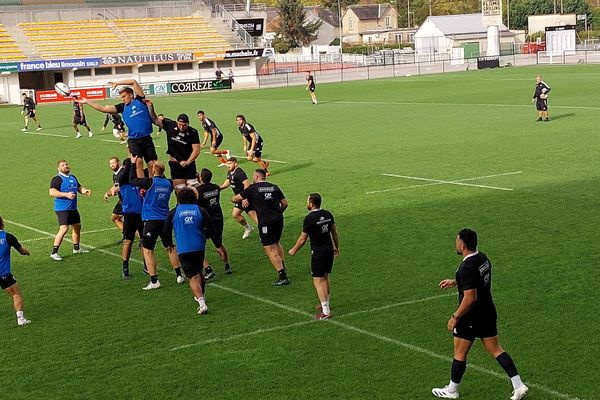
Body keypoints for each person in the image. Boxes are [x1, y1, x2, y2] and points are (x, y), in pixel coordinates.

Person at [432, 229, 528, 400]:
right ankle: (518, 385)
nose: (456, 243)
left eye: (457, 241)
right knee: (496, 349)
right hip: (487, 312)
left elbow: (470, 298)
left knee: (460, 353)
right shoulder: (482, 257)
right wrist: (456, 282)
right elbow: (476, 280)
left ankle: (452, 391)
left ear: (462, 245)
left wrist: (455, 317)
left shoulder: (466, 267)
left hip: (470, 316)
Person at [75, 79, 157, 175]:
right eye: (121, 97)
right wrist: (87, 102)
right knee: (138, 162)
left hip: (146, 138)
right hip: (134, 140)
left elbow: (134, 82)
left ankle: (153, 184)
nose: (122, 99)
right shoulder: (122, 107)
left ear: (131, 95)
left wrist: (117, 83)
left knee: (152, 164)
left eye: (124, 96)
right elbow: (103, 109)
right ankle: (142, 186)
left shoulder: (140, 100)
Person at [130, 158, 184, 289]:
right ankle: (179, 275)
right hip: (165, 219)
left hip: (151, 220)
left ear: (153, 170)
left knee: (148, 250)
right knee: (170, 246)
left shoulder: (150, 182)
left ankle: (154, 281)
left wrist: (133, 164)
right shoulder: (169, 183)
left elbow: (133, 180)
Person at [232, 169, 289, 286]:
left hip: (266, 222)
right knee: (277, 242)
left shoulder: (253, 188)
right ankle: (282, 265)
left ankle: (282, 275)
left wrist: (236, 198)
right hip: (279, 220)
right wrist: (279, 213)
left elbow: (236, 198)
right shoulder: (274, 187)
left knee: (270, 248)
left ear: (257, 176)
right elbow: (285, 203)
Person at [164, 187, 215, 315]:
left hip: (184, 249)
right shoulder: (200, 210)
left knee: (192, 277)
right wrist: (207, 237)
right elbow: (211, 227)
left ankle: (202, 303)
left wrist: (168, 244)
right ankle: (201, 294)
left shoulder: (173, 212)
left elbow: (166, 230)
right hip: (199, 247)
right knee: (199, 271)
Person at [288, 193, 339, 319]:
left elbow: (302, 239)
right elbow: (334, 232)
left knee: (318, 280)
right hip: (328, 250)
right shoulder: (327, 214)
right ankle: (326, 304)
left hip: (318, 252)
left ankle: (326, 312)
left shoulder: (309, 219)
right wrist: (336, 247)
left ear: (311, 204)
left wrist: (294, 250)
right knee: (325, 277)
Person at [107, 153, 145, 278]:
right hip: (130, 215)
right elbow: (125, 172)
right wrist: (131, 159)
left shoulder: (138, 180)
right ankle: (125, 267)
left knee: (142, 242)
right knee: (128, 242)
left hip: (140, 214)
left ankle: (146, 265)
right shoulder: (123, 180)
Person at [49, 160, 92, 261]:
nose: (65, 166)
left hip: (73, 208)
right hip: (62, 208)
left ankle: (76, 248)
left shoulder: (73, 177)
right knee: (64, 228)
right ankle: (54, 252)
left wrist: (84, 191)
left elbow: (79, 187)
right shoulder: (57, 179)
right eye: (63, 165)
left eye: (66, 164)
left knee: (77, 226)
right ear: (59, 168)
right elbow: (52, 192)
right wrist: (66, 195)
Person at [149, 108, 200, 189]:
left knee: (192, 189)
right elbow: (155, 120)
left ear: (188, 123)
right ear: (177, 122)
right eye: (180, 124)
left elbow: (196, 150)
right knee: (180, 189)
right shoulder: (170, 125)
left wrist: (187, 162)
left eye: (184, 125)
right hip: (175, 164)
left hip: (189, 164)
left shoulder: (193, 132)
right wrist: (150, 107)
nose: (182, 127)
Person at [194, 168, 231, 279]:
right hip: (218, 218)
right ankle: (227, 265)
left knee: (198, 245)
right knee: (219, 244)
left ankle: (208, 269)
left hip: (206, 221)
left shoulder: (198, 190)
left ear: (201, 178)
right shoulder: (215, 187)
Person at [0, 216, 32, 326]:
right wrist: (28, 252)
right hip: (3, 274)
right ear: (2, 223)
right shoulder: (8, 237)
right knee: (16, 294)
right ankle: (21, 319)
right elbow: (22, 251)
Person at [219, 157, 257, 239]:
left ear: (235, 163)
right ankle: (249, 228)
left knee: (252, 216)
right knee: (236, 214)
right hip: (240, 198)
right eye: (227, 164)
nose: (228, 165)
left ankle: (265, 232)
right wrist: (218, 188)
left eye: (230, 164)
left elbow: (246, 184)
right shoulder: (230, 172)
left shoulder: (239, 172)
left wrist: (244, 198)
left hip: (245, 197)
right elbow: (227, 183)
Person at [103, 157, 124, 239]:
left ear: (118, 163)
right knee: (115, 218)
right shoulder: (115, 175)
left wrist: (111, 192)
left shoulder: (122, 173)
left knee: (133, 223)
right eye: (110, 164)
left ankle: (139, 239)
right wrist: (108, 193)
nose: (112, 165)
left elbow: (117, 188)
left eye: (113, 163)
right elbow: (115, 187)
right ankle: (126, 235)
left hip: (127, 201)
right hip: (122, 200)